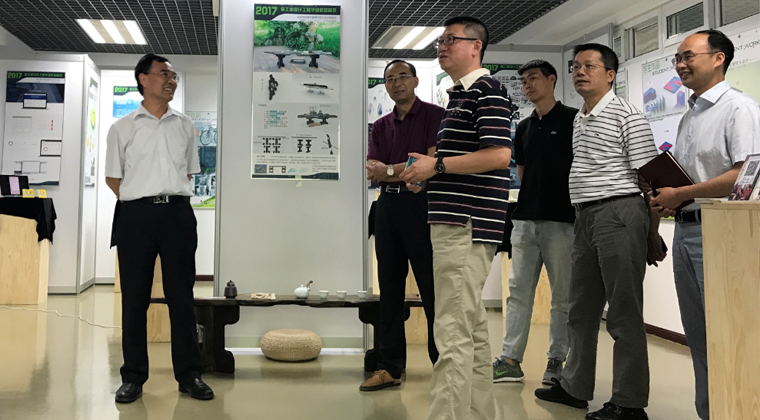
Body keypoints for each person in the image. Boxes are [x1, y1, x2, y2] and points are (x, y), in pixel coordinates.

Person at [534, 43, 665, 420]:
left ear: (610, 74)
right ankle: (575, 387)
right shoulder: (580, 117)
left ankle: (629, 402)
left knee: (623, 312)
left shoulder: (627, 114)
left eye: (589, 66)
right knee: (581, 308)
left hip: (620, 213)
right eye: (576, 66)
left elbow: (651, 178)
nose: (580, 72)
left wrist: (651, 232)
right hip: (586, 217)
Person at [401, 16, 512, 420]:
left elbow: (499, 155)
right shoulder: (461, 96)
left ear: (476, 46)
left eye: (451, 40)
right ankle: (479, 413)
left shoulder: (488, 91)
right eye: (440, 41)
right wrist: (430, 174)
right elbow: (462, 162)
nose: (442, 47)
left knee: (450, 331)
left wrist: (437, 166)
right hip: (454, 220)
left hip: (466, 225)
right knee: (471, 328)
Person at [649, 30, 760, 420]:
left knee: (731, 332)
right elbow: (689, 177)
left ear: (718, 58)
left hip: (723, 233)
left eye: (688, 56)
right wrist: (669, 198)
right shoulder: (690, 116)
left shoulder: (738, 109)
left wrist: (681, 193)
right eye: (677, 59)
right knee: (699, 334)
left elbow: (745, 174)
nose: (680, 65)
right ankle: (711, 412)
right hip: (686, 229)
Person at [106, 53, 213, 403]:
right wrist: (141, 202)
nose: (171, 80)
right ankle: (133, 377)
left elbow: (188, 173)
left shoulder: (184, 125)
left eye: (173, 76)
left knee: (181, 298)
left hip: (178, 216)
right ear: (143, 79)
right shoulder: (122, 128)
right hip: (135, 217)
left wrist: (165, 201)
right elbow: (113, 178)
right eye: (163, 73)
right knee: (134, 299)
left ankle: (190, 375)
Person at [492, 60, 577, 385]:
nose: (527, 85)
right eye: (524, 81)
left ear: (551, 80)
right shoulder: (524, 127)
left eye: (533, 78)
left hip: (562, 221)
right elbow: (523, 172)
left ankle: (557, 360)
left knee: (562, 296)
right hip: (525, 221)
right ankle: (510, 360)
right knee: (518, 293)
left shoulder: (573, 120)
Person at [362, 59, 444, 391]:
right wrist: (399, 170)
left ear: (415, 81)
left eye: (403, 77)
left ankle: (443, 364)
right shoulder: (380, 126)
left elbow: (429, 163)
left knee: (432, 288)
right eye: (390, 79)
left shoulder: (435, 116)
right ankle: (389, 367)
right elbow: (373, 169)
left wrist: (390, 170)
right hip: (387, 206)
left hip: (421, 206)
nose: (397, 83)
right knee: (389, 290)